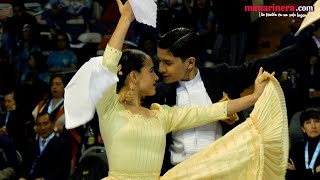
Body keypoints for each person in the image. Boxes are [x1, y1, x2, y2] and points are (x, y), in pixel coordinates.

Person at [64, 0, 288, 179]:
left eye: (160, 67)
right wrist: (125, 20)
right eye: (151, 70)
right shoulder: (109, 107)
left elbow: (211, 111)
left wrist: (255, 97)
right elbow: (107, 65)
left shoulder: (162, 114)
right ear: (133, 76)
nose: (158, 74)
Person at [144, 14, 320, 174]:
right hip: (177, 173)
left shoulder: (220, 77)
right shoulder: (157, 92)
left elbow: (265, 63)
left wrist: (314, 44)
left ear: (190, 62)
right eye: (160, 62)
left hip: (223, 172)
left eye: (167, 63)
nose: (161, 69)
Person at [18, 112, 72, 180]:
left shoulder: (63, 144)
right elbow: (23, 166)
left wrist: (43, 179)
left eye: (45, 123)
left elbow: (64, 170)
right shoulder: (31, 145)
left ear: (53, 124)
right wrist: (22, 177)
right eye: (39, 124)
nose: (42, 128)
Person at [286, 107, 320, 180]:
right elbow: (289, 175)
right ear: (303, 129)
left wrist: (297, 172)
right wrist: (314, 171)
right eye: (308, 122)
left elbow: (294, 174)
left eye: (317, 121)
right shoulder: (296, 148)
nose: (313, 126)